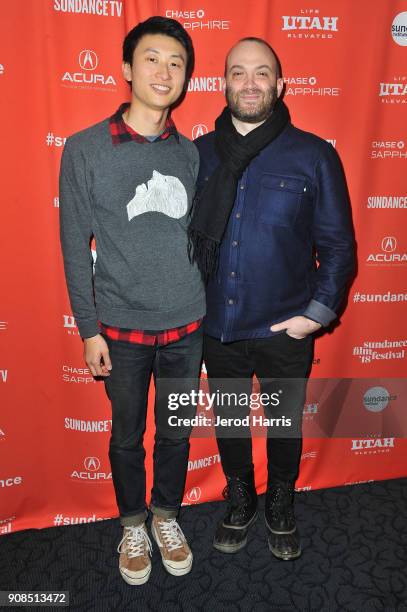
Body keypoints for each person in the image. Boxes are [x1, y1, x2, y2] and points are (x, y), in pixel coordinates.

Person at [189, 37, 355, 560]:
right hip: (218, 326)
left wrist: (316, 316)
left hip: (288, 327)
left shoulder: (314, 155)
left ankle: (281, 500)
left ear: (281, 85)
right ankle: (240, 497)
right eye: (239, 73)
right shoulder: (197, 155)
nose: (251, 83)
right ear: (223, 84)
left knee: (285, 425)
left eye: (263, 73)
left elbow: (337, 246)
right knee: (232, 424)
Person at [59, 17, 205, 585]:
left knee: (174, 430)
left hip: (187, 325)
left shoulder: (191, 155)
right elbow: (75, 245)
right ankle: (132, 524)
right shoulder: (85, 149)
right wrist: (89, 329)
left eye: (176, 62)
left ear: (186, 76)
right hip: (119, 329)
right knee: (126, 435)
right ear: (126, 69)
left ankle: (167, 516)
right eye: (152, 59)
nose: (164, 71)